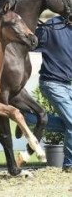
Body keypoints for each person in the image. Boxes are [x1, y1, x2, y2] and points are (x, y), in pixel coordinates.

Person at [33, 15, 72, 172]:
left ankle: (31, 118)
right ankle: (69, 165)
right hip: (52, 84)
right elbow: (28, 42)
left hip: (69, 84)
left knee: (68, 123)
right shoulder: (51, 27)